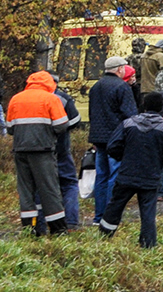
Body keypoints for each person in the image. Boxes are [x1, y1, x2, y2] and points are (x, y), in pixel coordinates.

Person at [97, 91, 163, 248]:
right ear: (161, 107)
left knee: (115, 205)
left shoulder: (128, 123)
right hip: (151, 176)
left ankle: (104, 236)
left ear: (144, 106)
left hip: (127, 173)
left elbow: (112, 146)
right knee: (148, 212)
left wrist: (125, 157)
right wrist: (158, 162)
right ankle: (148, 244)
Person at [8, 71, 70, 234]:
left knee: (26, 190)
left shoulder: (16, 99)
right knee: (49, 188)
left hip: (20, 150)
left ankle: (30, 228)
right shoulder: (51, 99)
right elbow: (62, 125)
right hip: (43, 150)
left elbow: (10, 128)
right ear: (49, 84)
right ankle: (58, 229)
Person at [87, 56, 138, 226]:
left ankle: (98, 216)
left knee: (101, 176)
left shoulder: (95, 87)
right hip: (116, 139)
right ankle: (111, 216)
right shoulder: (122, 87)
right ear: (119, 69)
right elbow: (130, 115)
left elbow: (92, 114)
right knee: (115, 177)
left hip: (98, 138)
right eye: (124, 67)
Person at [49, 74, 82, 228]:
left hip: (38, 151)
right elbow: (75, 121)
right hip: (61, 148)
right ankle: (71, 222)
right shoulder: (62, 98)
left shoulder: (24, 97)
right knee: (69, 183)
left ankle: (40, 224)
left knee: (43, 186)